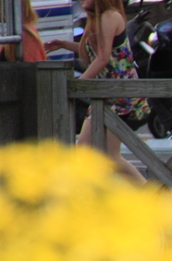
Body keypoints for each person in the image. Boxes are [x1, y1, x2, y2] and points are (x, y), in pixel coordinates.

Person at [44, 0, 149, 184]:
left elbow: (102, 58)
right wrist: (63, 44)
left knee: (110, 156)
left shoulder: (110, 16)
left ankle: (152, 196)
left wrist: (77, 85)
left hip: (118, 92)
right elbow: (91, 52)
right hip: (105, 94)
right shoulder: (96, 18)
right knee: (87, 152)